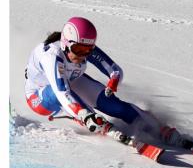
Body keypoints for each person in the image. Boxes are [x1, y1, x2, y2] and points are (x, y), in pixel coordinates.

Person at [24, 17, 184, 145]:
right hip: (40, 96)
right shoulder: (52, 56)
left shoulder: (83, 45)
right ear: (66, 43)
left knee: (115, 106)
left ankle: (157, 128)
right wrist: (85, 115)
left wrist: (114, 81)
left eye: (88, 50)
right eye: (78, 50)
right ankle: (97, 122)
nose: (83, 55)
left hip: (71, 82)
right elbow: (61, 91)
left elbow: (114, 70)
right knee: (71, 101)